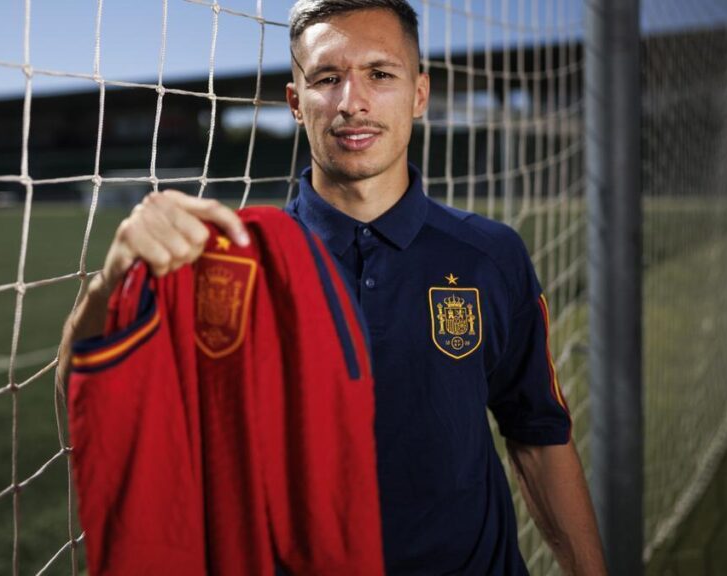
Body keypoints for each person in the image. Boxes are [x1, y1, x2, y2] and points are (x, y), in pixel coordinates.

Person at [59, 0, 607, 573]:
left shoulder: (491, 255)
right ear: (296, 102)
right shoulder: (229, 264)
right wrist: (111, 280)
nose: (352, 102)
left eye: (380, 73)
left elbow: (538, 436)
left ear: (419, 94)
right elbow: (84, 390)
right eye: (327, 78)